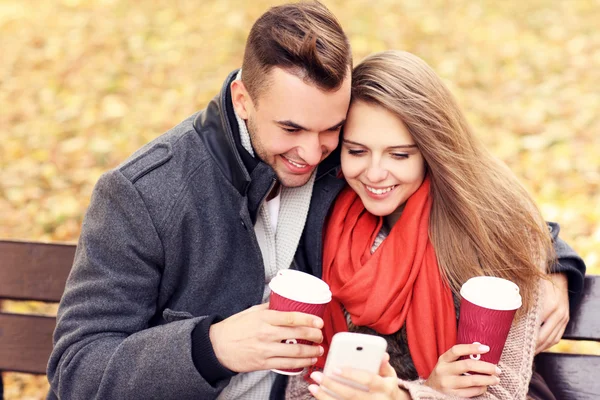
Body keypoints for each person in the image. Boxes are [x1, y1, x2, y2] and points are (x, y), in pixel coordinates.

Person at [47, 2, 584, 399]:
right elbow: (76, 371)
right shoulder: (143, 196)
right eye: (291, 128)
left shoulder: (343, 161)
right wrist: (210, 346)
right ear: (243, 98)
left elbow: (469, 192)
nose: (310, 153)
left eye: (331, 130)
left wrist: (555, 263)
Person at [281, 50, 586, 400]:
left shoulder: (495, 230)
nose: (375, 173)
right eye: (357, 151)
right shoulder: (323, 221)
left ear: (432, 150)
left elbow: (503, 391)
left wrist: (407, 396)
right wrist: (429, 390)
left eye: (400, 154)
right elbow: (303, 387)